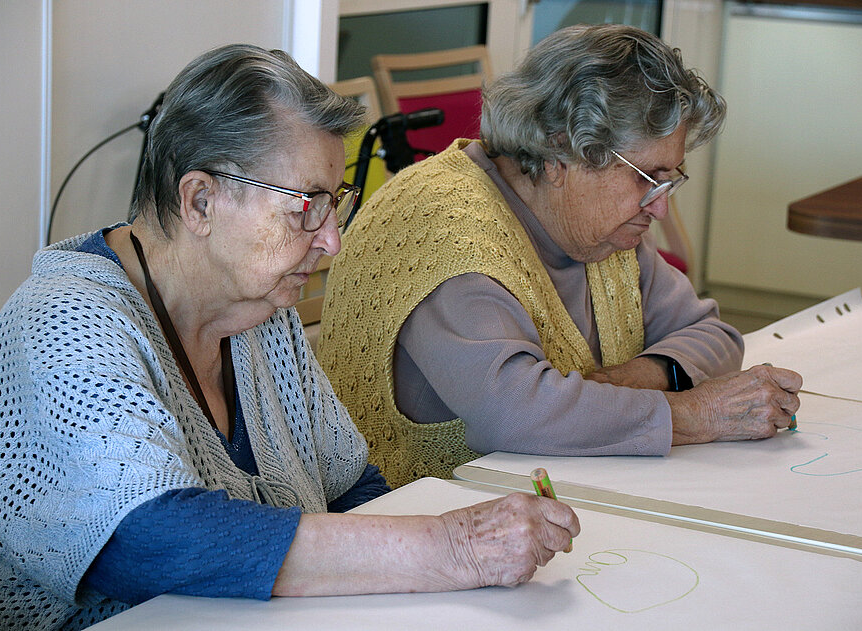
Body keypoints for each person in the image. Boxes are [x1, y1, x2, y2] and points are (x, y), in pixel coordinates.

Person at [0, 45, 579, 630]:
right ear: (200, 200)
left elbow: (351, 489)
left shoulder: (259, 309)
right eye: (305, 205)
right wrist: (452, 548)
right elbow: (143, 539)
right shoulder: (63, 319)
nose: (331, 240)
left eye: (334, 203)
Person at [317, 24, 803, 489]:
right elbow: (515, 414)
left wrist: (626, 382)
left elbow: (714, 335)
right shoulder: (441, 228)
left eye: (670, 177)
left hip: (551, 504)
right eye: (646, 177)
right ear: (559, 155)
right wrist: (696, 413)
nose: (661, 205)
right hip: (422, 523)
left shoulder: (599, 227)